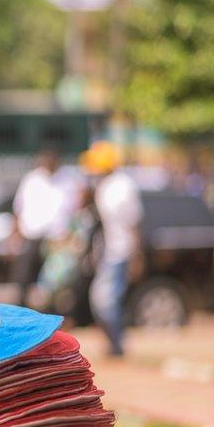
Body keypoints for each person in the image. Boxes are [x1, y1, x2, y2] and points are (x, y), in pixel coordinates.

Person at [82, 141, 143, 357]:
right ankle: (115, 344)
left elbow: (135, 223)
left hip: (123, 251)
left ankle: (117, 344)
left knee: (104, 300)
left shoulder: (124, 186)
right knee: (102, 300)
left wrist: (137, 256)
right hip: (110, 252)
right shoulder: (103, 187)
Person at [12, 148, 64, 307]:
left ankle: (51, 312)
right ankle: (23, 310)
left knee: (53, 280)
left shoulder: (67, 180)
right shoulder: (32, 180)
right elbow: (19, 209)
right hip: (32, 236)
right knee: (24, 278)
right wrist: (16, 236)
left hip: (56, 239)